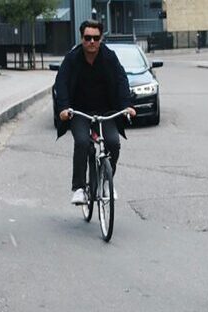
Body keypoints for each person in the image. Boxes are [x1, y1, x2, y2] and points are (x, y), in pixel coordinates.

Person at [53, 20, 136, 204]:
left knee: (113, 142)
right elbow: (62, 83)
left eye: (96, 38)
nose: (92, 41)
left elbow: (121, 80)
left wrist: (126, 105)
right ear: (81, 38)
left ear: (101, 39)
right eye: (88, 38)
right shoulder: (72, 59)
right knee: (82, 142)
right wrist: (64, 109)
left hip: (105, 110)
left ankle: (107, 181)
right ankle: (80, 188)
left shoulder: (109, 57)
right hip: (79, 111)